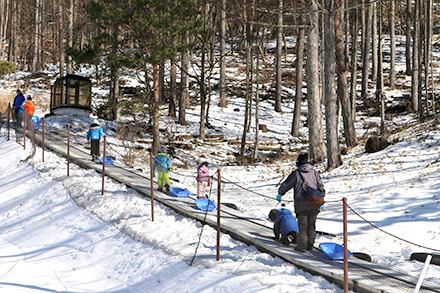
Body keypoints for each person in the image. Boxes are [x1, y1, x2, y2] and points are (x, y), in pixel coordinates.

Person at [277, 153, 325, 252]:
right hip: (314, 205)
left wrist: (280, 193)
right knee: (311, 226)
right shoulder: (315, 173)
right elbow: (321, 188)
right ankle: (310, 246)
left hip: (301, 205)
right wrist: (321, 200)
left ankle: (302, 247)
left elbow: (287, 184)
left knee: (303, 227)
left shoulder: (296, 173)